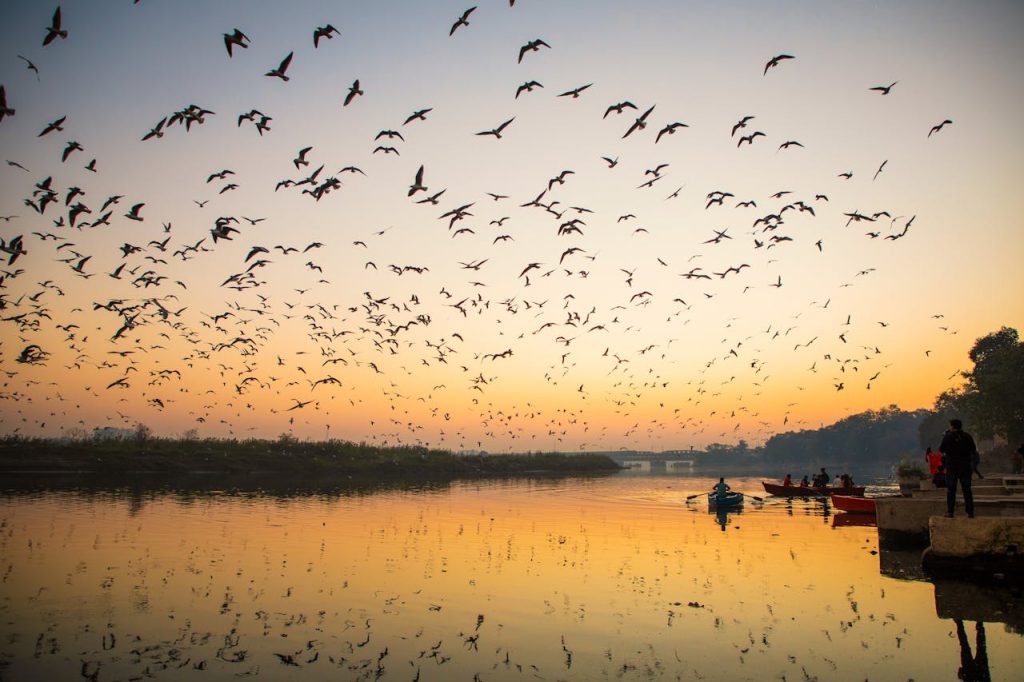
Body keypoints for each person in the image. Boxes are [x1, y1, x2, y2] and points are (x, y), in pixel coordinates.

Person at [939, 418, 979, 518]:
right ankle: (970, 512)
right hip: (965, 466)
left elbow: (941, 449)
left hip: (952, 466)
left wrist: (946, 437)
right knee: (967, 489)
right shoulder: (967, 436)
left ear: (952, 426)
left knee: (951, 490)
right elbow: (973, 449)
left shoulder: (948, 436)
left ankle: (950, 512)